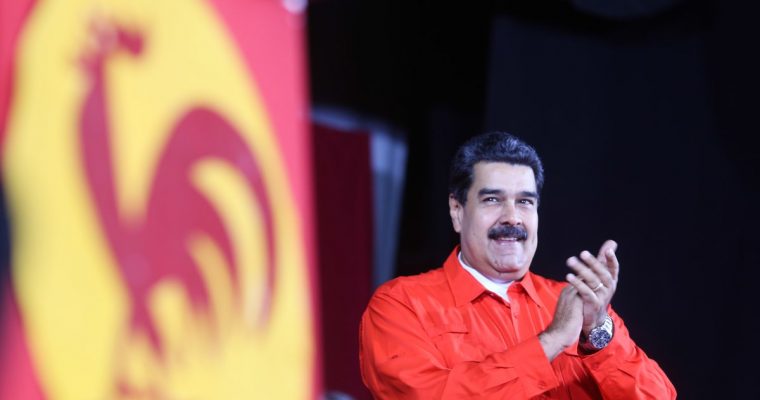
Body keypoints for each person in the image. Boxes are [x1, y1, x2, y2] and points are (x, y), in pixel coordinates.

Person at [359, 132, 676, 399]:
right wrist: (551, 341)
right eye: (492, 200)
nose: (512, 217)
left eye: (525, 201)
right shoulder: (402, 305)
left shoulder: (577, 304)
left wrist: (597, 334)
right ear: (457, 211)